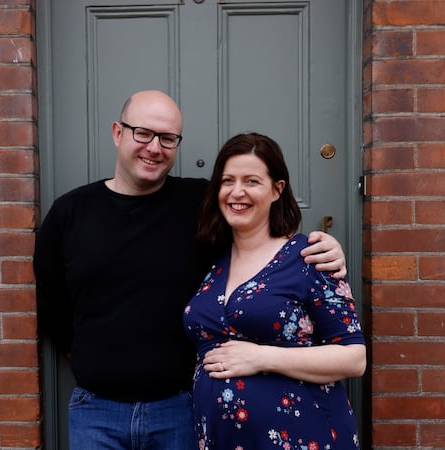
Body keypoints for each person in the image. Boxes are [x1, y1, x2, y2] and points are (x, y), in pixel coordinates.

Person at [34, 90, 348, 449]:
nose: (154, 147)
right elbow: (51, 304)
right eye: (143, 133)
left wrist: (318, 246)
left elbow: (258, 234)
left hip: (180, 408)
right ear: (118, 133)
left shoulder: (200, 204)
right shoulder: (70, 213)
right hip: (96, 410)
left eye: (168, 138)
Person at [183, 132, 366, 449]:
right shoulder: (212, 263)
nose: (237, 192)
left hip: (301, 436)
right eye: (228, 181)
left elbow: (354, 359)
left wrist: (261, 357)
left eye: (252, 181)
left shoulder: (309, 257)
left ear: (276, 190)